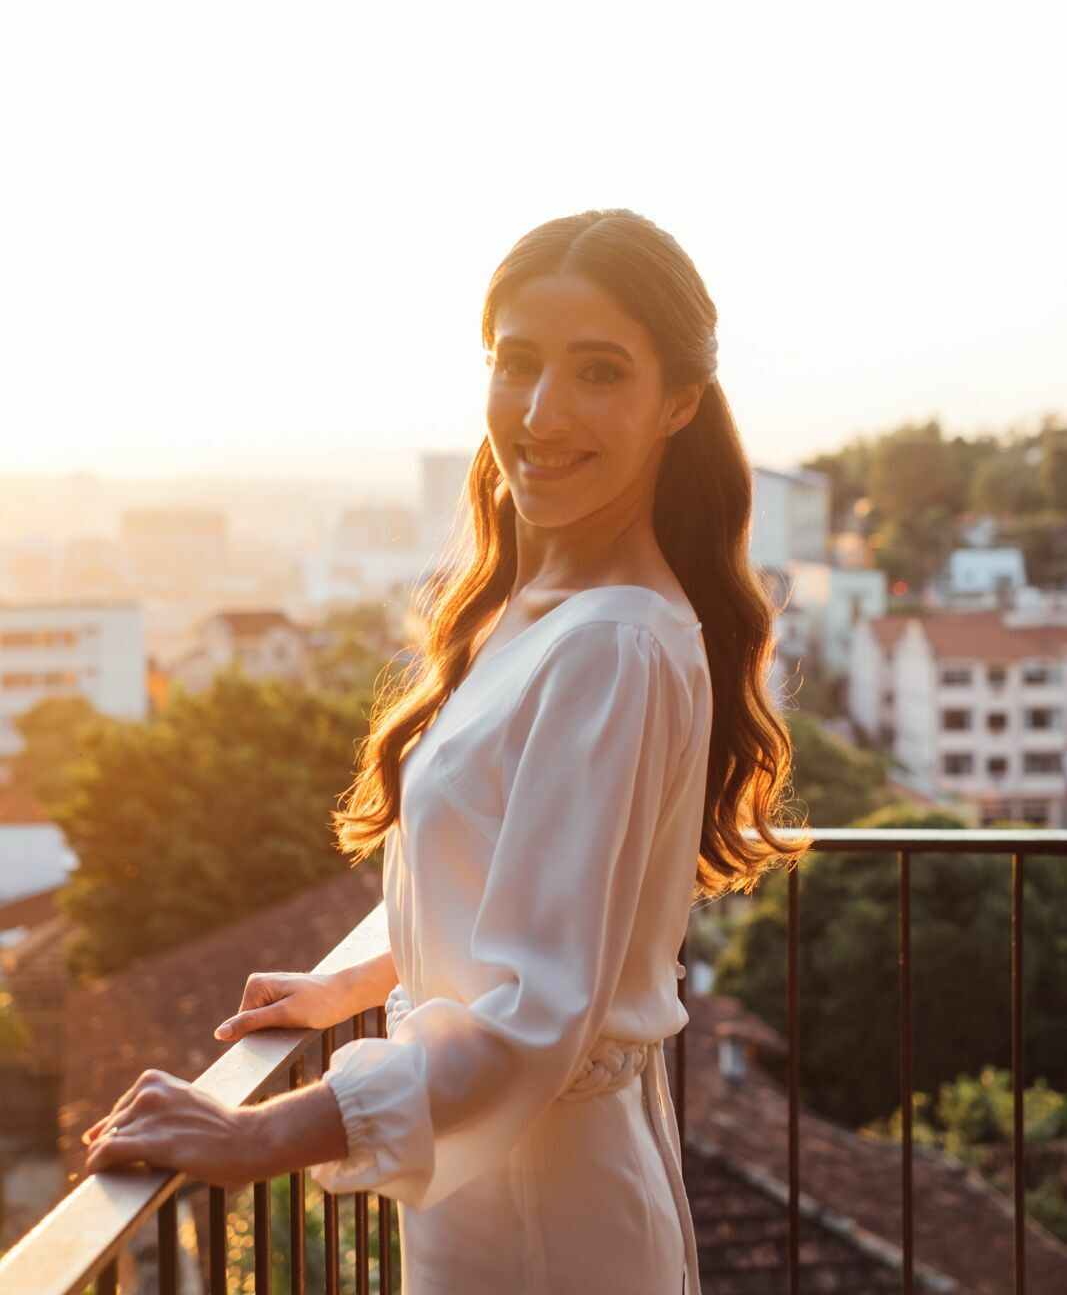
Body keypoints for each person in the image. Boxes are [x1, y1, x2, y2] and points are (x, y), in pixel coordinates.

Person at [82, 208, 812, 1293]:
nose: (539, 411)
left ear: (677, 403)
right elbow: (522, 886)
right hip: (499, 1193)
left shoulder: (611, 641)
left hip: (546, 1221)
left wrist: (253, 1135)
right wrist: (362, 980)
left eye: (597, 371)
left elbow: (531, 1014)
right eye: (515, 362)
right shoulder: (545, 606)